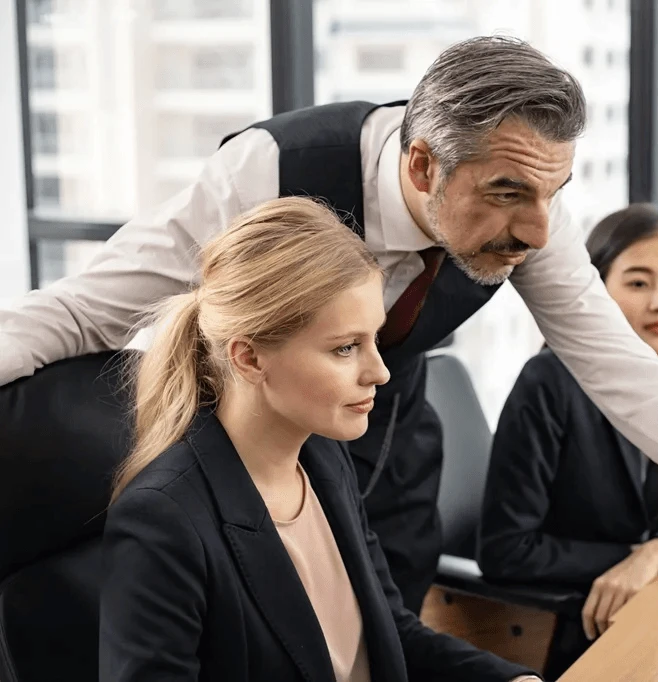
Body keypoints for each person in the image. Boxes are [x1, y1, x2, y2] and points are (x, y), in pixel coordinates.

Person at [0, 36, 658, 614]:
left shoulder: (528, 202)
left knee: (386, 637)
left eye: (553, 193)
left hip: (394, 446)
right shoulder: (271, 173)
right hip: (253, 457)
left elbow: (614, 362)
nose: (536, 229)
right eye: (509, 194)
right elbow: (86, 308)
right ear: (423, 166)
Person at [99, 197, 540, 682]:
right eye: (346, 347)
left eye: (375, 339)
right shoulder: (164, 520)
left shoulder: (323, 457)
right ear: (249, 358)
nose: (380, 371)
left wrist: (512, 679)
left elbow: (388, 632)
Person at [477, 205, 658, 676]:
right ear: (596, 296)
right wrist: (628, 559)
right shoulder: (549, 382)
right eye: (638, 283)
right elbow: (506, 550)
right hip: (577, 623)